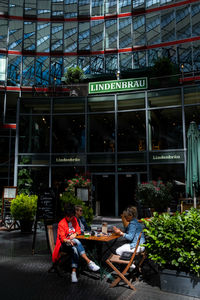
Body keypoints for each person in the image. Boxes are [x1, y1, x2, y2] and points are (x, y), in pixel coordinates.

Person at [52, 203, 99, 283]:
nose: (71, 218)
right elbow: (62, 238)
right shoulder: (62, 223)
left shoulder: (74, 220)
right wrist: (69, 240)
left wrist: (75, 234)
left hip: (74, 244)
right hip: (64, 245)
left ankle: (73, 273)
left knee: (74, 249)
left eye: (72, 216)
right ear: (66, 215)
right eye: (69, 216)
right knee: (76, 241)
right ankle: (89, 262)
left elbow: (78, 230)